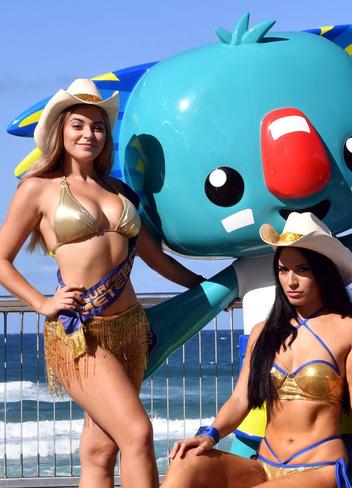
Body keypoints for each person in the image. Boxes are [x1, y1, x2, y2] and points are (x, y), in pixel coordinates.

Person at [0, 79, 205, 488]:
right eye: (78, 125)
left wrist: (208, 285)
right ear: (60, 129)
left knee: (101, 450)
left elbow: (157, 259)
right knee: (137, 433)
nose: (88, 134)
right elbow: (2, 260)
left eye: (97, 126)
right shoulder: (37, 191)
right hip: (80, 333)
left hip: (130, 330)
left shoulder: (120, 193)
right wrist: (41, 303)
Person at [163, 212, 352, 488]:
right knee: (185, 461)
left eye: (302, 269)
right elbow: (240, 400)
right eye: (283, 270)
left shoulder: (350, 329)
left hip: (319, 468)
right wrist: (209, 435)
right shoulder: (264, 332)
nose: (290, 281)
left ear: (323, 271)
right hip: (265, 465)